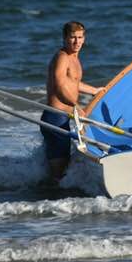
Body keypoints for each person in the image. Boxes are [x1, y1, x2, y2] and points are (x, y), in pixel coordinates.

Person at [41, 21, 105, 181]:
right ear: (64, 38)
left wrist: (94, 91)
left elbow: (73, 83)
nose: (77, 42)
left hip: (64, 117)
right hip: (55, 118)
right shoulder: (62, 57)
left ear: (84, 38)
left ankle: (49, 190)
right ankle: (49, 194)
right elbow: (59, 86)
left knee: (63, 166)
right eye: (72, 37)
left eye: (80, 37)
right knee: (58, 170)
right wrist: (76, 106)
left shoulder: (74, 58)